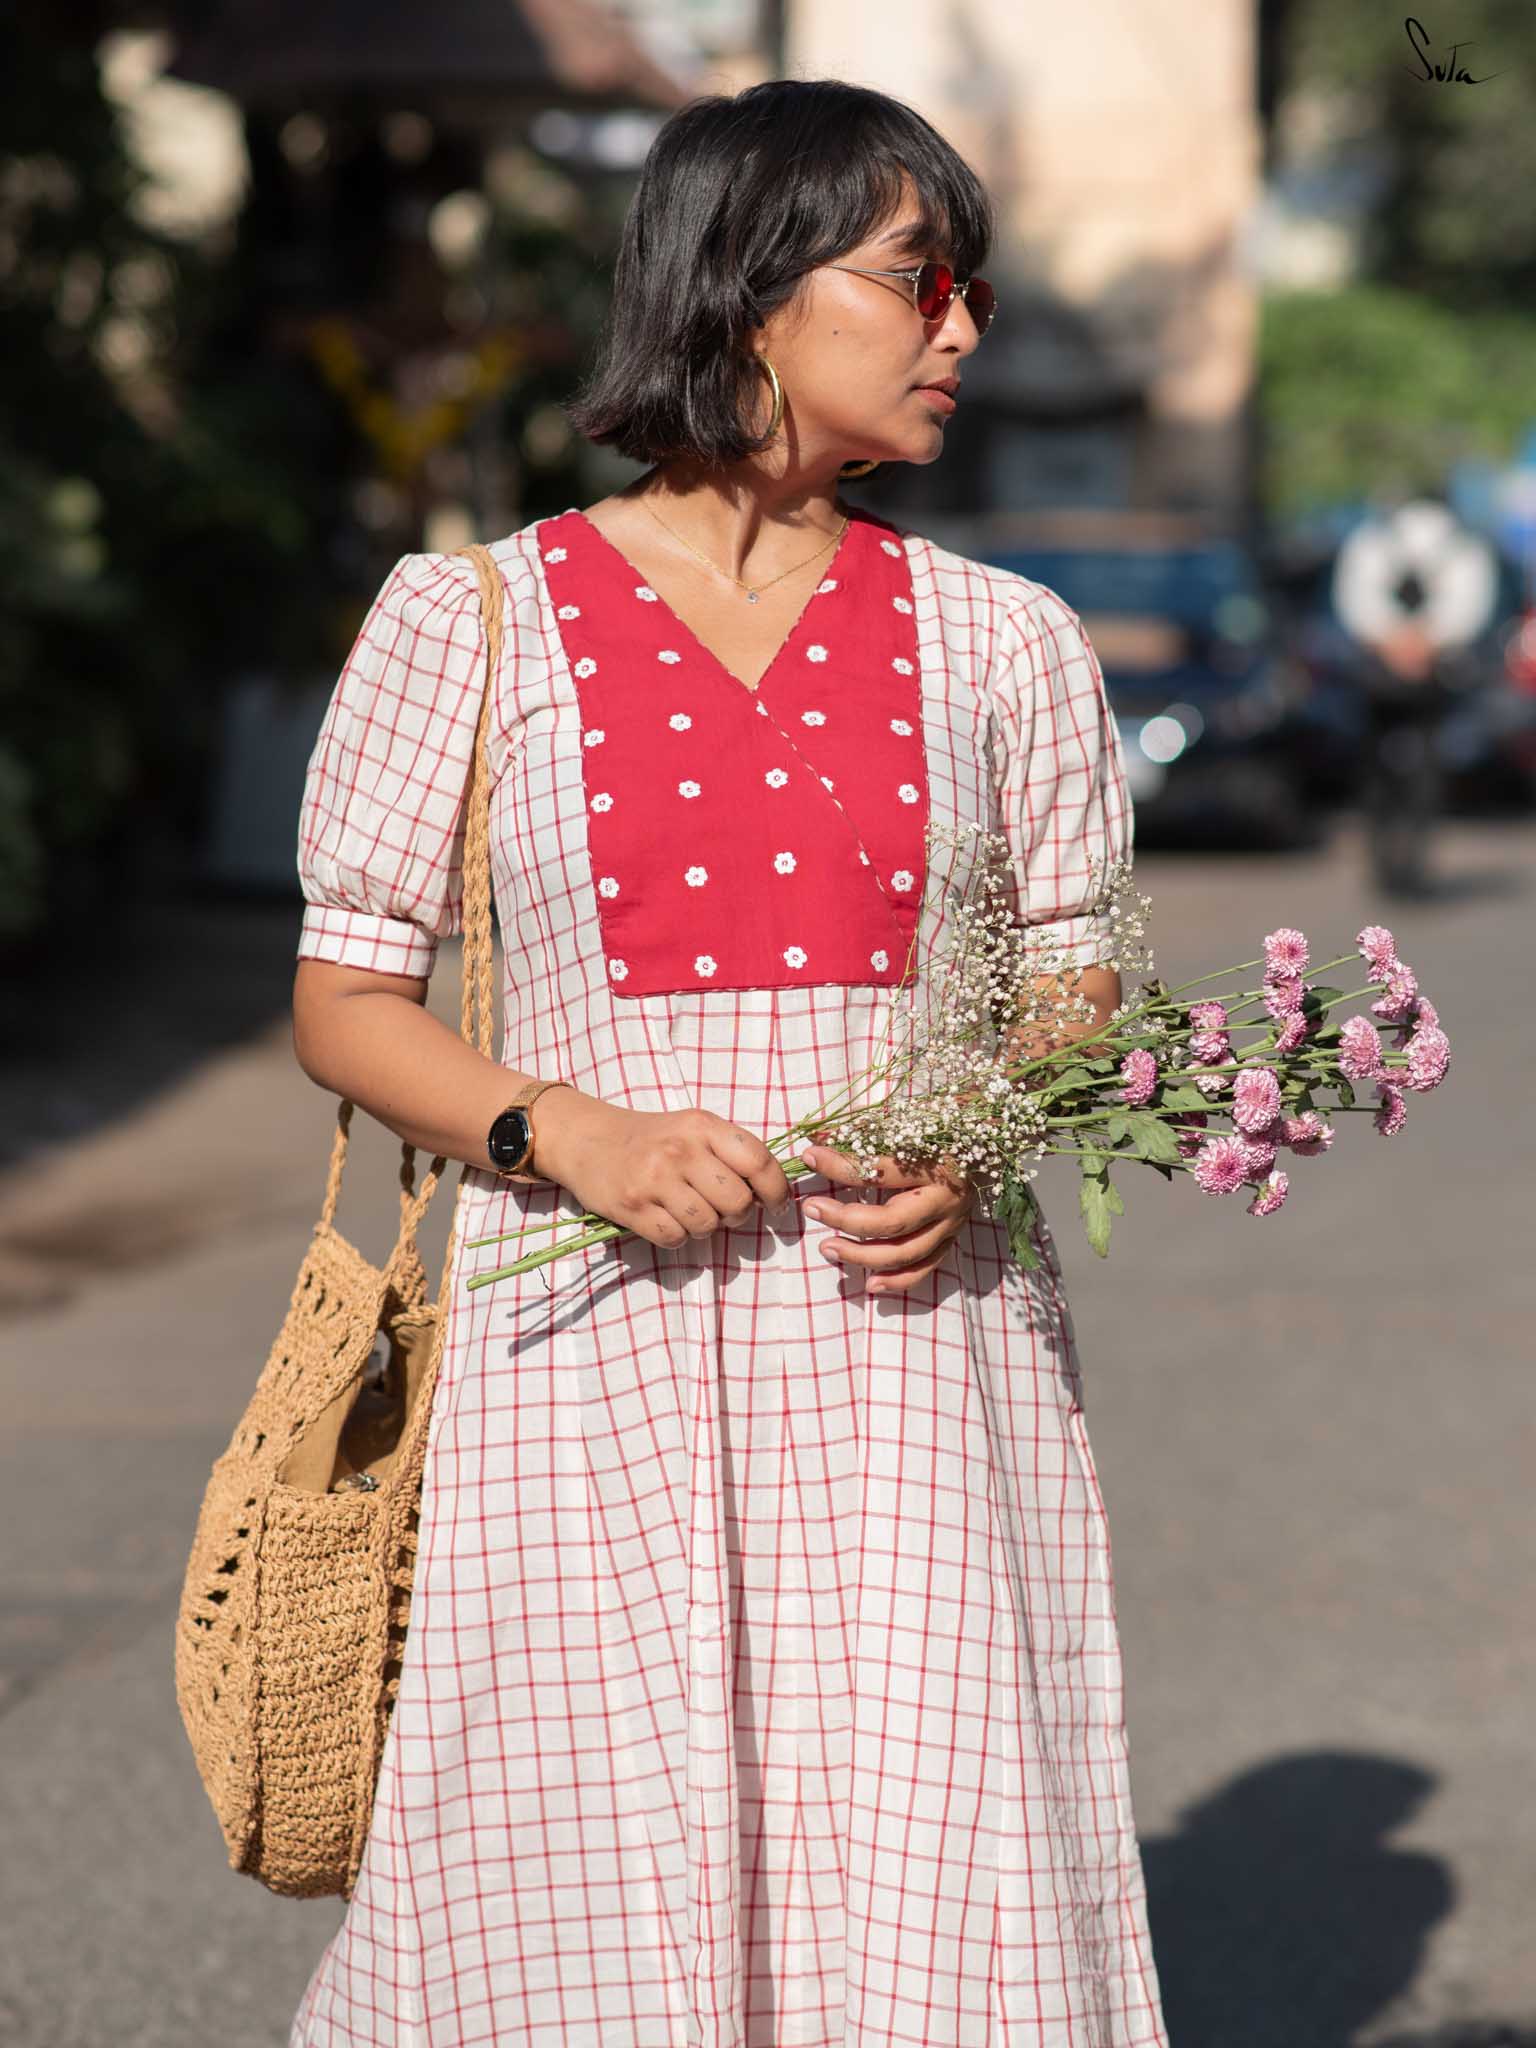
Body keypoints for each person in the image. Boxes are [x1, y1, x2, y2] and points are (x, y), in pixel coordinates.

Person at [288, 76, 1168, 2048]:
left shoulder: (1007, 641)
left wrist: (975, 1139)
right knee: (581, 1856)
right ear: (752, 285)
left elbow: (1074, 977)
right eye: (919, 279)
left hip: (915, 1352)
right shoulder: (472, 621)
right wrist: (566, 1128)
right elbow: (346, 999)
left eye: (972, 289)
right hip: (578, 1354)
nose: (963, 328)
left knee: (919, 1848)